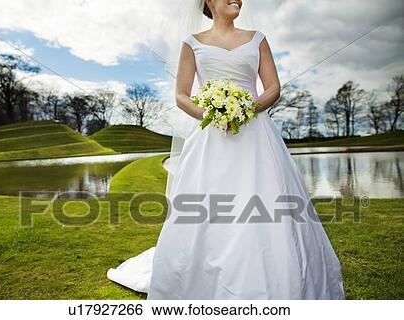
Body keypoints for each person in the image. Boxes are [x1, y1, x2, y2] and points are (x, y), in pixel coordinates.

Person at [107, 0, 345, 300]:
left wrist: (246, 109)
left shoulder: (257, 39)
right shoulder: (192, 43)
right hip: (210, 135)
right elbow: (181, 95)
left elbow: (272, 87)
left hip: (257, 135)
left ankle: (276, 275)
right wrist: (214, 115)